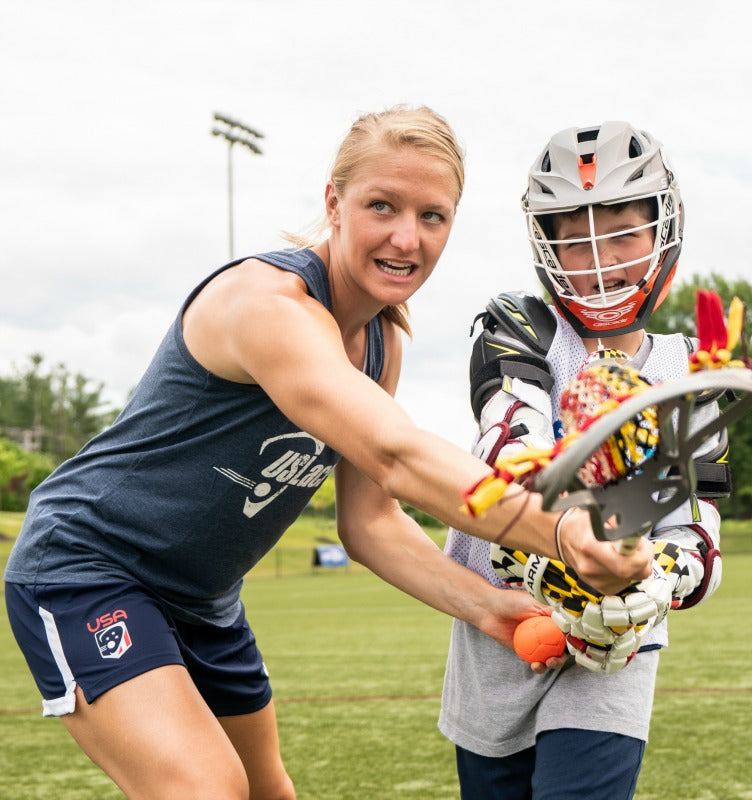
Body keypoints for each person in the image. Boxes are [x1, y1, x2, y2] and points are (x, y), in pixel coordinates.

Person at [3, 107, 651, 800]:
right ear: (333, 204)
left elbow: (369, 521)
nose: (407, 238)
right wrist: (564, 529)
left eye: (433, 216)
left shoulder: (381, 343)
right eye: (382, 206)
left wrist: (490, 607)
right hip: (86, 569)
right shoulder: (267, 305)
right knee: (205, 788)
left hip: (203, 599)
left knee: (268, 792)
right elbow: (396, 453)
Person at [438, 121, 731, 800]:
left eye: (622, 234)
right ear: (548, 248)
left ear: (664, 230)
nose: (598, 262)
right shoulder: (518, 323)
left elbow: (698, 528)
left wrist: (656, 579)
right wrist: (557, 557)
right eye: (575, 242)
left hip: (614, 650)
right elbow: (512, 447)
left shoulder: (694, 374)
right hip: (500, 630)